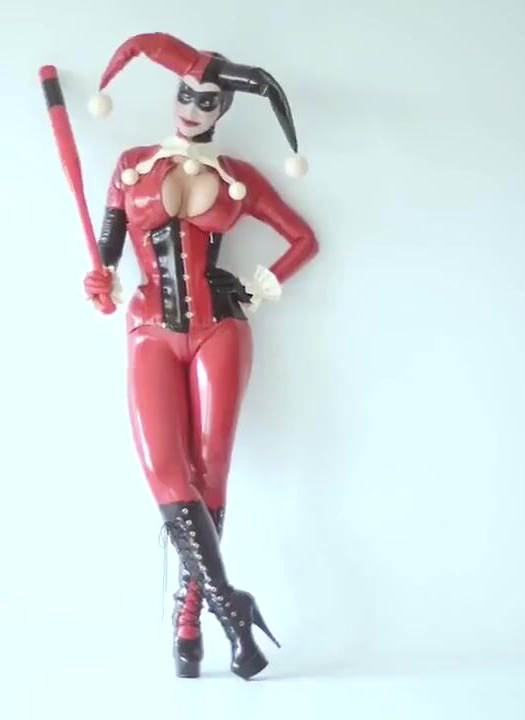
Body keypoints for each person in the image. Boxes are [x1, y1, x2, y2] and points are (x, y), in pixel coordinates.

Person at [81, 32, 318, 680]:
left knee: (210, 475)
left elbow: (303, 240)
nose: (192, 108)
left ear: (223, 109)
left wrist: (259, 288)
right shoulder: (132, 165)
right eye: (185, 95)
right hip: (149, 328)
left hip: (221, 328)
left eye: (207, 100)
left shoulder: (238, 178)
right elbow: (107, 254)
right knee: (165, 470)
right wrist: (101, 282)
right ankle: (231, 609)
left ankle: (189, 623)